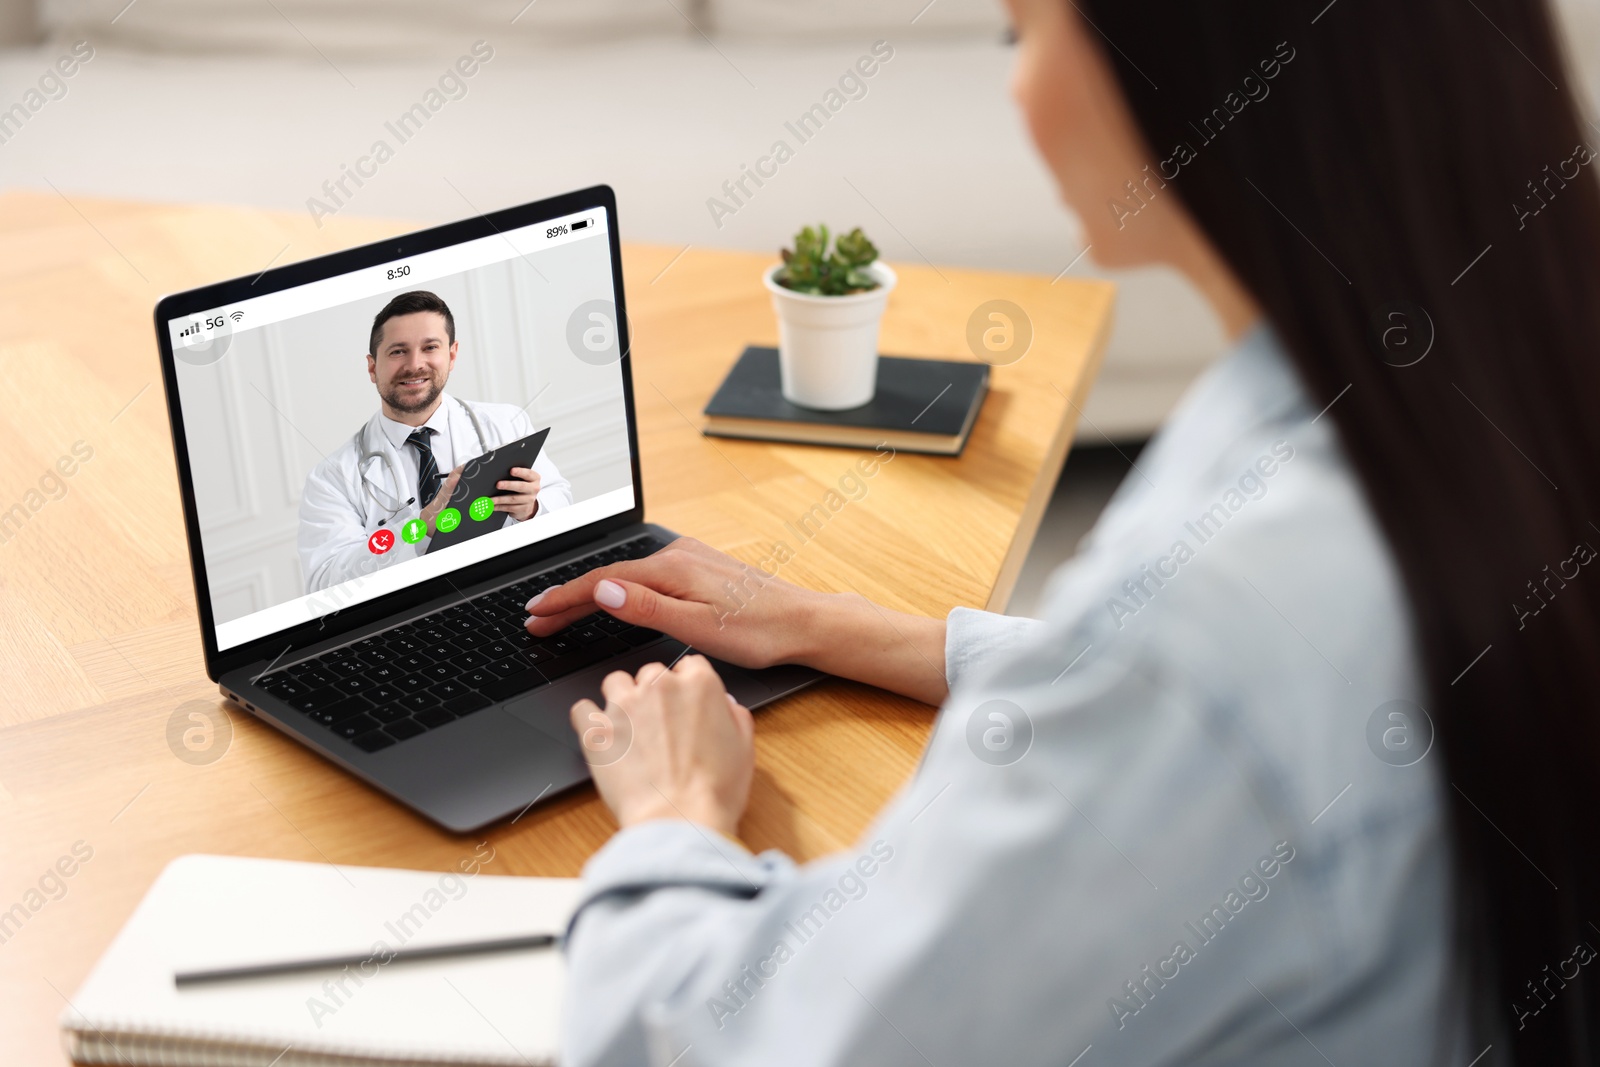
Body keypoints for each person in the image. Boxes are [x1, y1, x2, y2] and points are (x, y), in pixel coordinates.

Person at [526, 0, 1600, 1062]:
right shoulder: (1484, 387)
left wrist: (670, 818)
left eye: (1024, 32)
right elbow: (1242, 696)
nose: (1016, 84)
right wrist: (827, 621)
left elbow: (766, 1043)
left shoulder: (1217, 624)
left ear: (1179, 60)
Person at [297, 290, 571, 593]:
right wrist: (421, 527)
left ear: (451, 355)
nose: (415, 365)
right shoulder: (332, 477)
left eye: (430, 347)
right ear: (372, 367)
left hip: (505, 590)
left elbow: (562, 504)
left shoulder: (507, 424)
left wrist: (532, 509)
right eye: (398, 351)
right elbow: (326, 585)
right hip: (406, 616)